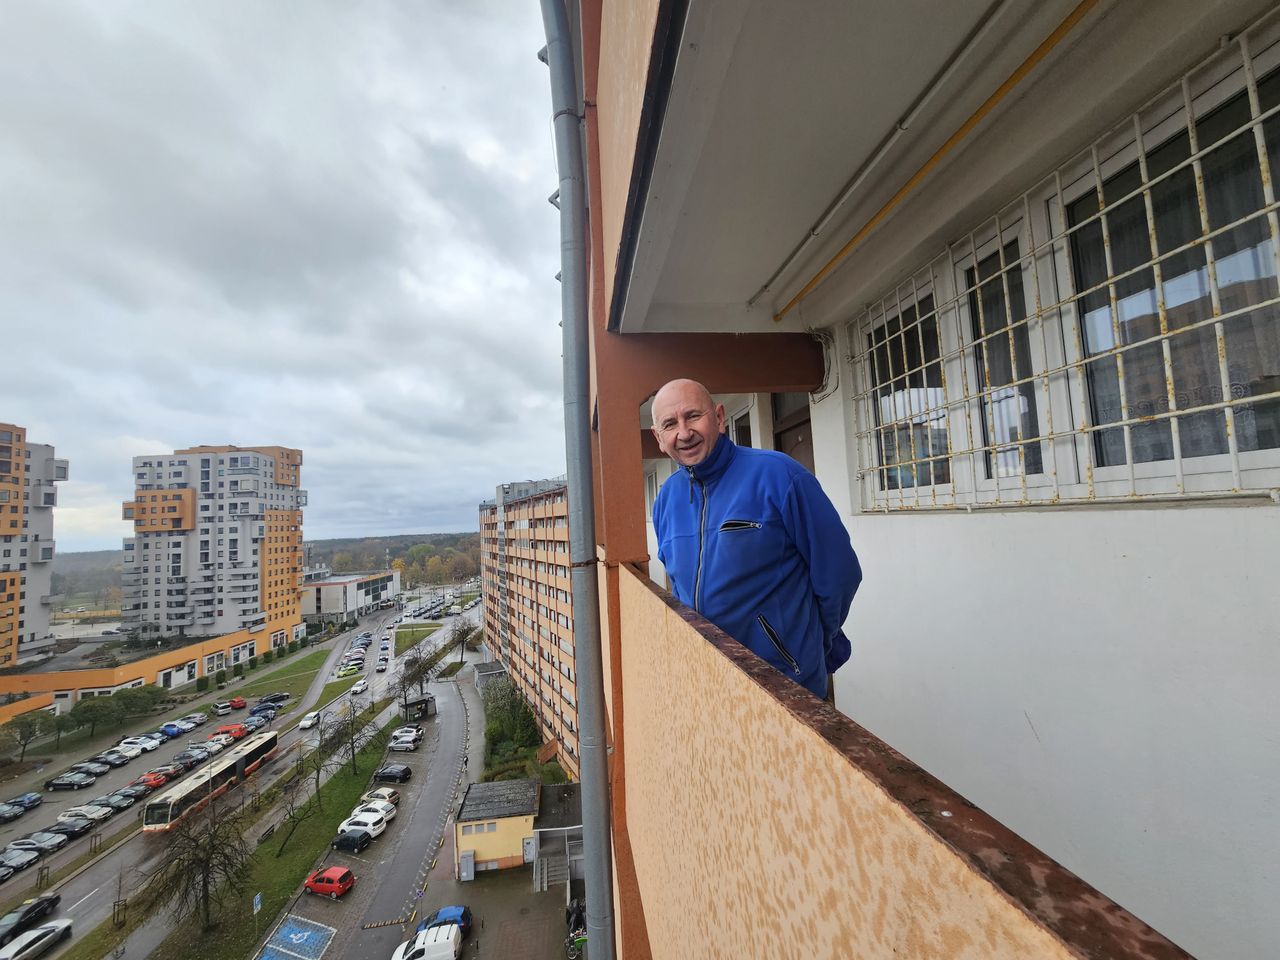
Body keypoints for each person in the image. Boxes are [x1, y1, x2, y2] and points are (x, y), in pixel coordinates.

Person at [650, 378, 861, 699]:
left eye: (693, 416)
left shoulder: (780, 476)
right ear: (658, 437)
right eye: (670, 424)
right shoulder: (666, 498)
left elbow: (839, 574)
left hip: (784, 683)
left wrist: (810, 644)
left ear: (719, 418)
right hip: (709, 682)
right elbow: (678, 586)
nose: (683, 432)